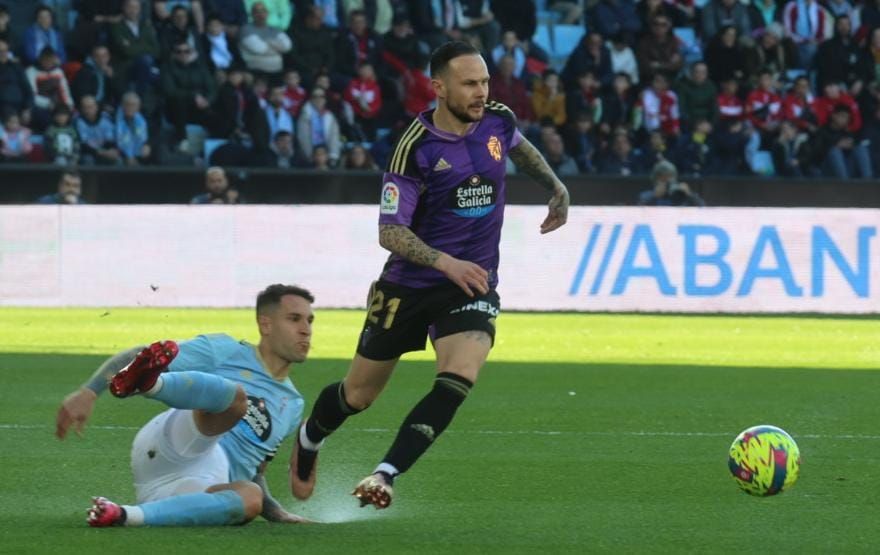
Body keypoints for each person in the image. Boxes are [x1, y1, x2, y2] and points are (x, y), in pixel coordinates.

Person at [288, 41, 570, 509]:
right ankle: (311, 436)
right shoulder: (413, 148)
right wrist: (444, 262)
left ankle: (385, 474)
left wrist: (556, 186)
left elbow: (520, 149)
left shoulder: (498, 118)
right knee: (358, 396)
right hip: (410, 286)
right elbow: (390, 231)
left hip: (473, 284)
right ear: (439, 87)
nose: (481, 93)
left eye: (484, 82)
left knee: (459, 375)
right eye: (469, 84)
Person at [55, 284, 313, 527]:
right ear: (265, 324)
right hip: (175, 445)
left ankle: (123, 514)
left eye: (309, 321)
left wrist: (275, 511)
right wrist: (89, 392)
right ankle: (150, 385)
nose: (306, 329)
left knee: (251, 498)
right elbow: (141, 354)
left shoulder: (293, 404)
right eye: (294, 319)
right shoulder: (225, 350)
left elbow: (256, 470)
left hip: (198, 487)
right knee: (236, 400)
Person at [638, 160, 705, 206]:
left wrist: (690, 195)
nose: (668, 181)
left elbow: (703, 207)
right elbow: (638, 212)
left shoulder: (682, 195)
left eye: (671, 177)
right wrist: (654, 197)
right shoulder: (646, 196)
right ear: (657, 179)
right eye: (664, 178)